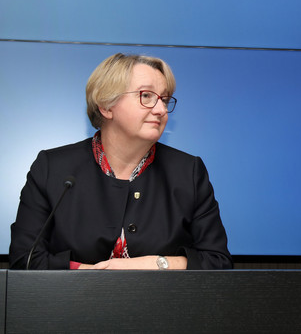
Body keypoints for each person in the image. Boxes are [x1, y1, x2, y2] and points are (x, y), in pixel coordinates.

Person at [10, 53, 232, 270]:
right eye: (146, 96)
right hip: (71, 305)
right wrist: (93, 275)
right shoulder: (52, 168)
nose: (161, 109)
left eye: (164, 99)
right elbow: (25, 259)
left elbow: (218, 262)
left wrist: (156, 264)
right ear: (106, 106)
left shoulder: (188, 172)